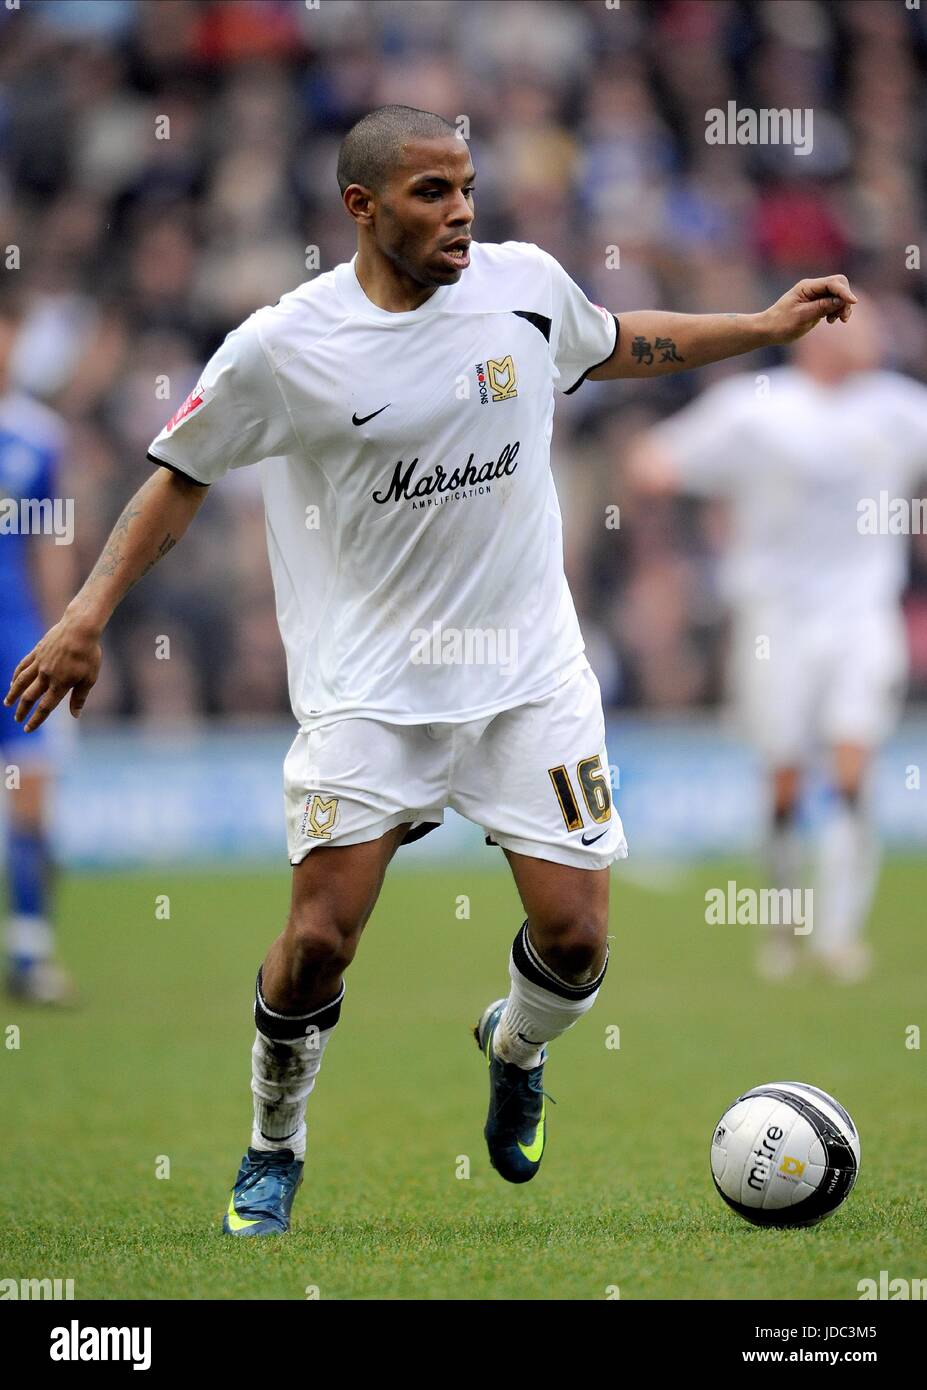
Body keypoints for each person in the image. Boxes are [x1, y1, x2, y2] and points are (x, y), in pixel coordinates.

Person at [4, 106, 857, 1235]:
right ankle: (273, 1145)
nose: (460, 210)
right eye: (429, 193)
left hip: (530, 679)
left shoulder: (524, 286)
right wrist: (85, 613)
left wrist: (759, 327)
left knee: (580, 941)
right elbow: (179, 474)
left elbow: (617, 344)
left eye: (466, 186)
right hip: (371, 692)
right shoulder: (284, 345)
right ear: (360, 207)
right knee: (316, 944)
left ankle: (513, 1047)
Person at [626, 300, 927, 982]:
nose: (872, 333)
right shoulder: (755, 410)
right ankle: (783, 924)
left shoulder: (895, 408)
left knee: (853, 767)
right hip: (775, 618)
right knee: (785, 778)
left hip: (860, 613)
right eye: (857, 322)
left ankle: (840, 935)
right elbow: (654, 462)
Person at [0, 294, 74, 1003]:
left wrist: (63, 633)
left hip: (15, 638)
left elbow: (51, 542)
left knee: (30, 795)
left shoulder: (38, 437)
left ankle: (29, 951)